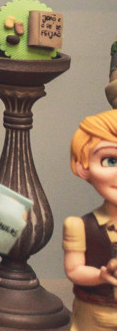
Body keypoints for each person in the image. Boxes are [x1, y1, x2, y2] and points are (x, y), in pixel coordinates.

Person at [64, 109, 117, 331]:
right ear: (82, 167)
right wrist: (101, 275)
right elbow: (74, 270)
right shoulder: (79, 226)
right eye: (111, 160)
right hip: (95, 315)